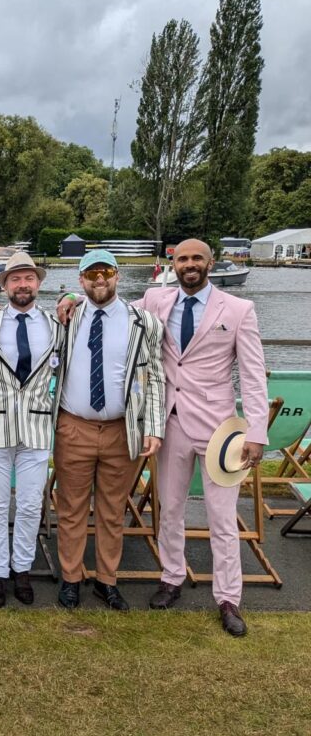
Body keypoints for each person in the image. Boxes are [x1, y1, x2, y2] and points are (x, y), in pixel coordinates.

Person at [135, 238, 268, 636]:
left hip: (220, 430)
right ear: (172, 265)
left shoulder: (239, 310)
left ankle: (228, 598)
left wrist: (257, 431)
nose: (189, 265)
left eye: (197, 258)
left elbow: (252, 374)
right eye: (182, 259)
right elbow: (110, 311)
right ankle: (172, 578)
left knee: (222, 517)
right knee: (170, 508)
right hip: (170, 423)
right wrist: (71, 296)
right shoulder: (155, 301)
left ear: (211, 263)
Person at [52, 250, 165, 612]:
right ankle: (71, 578)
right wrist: (65, 297)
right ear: (80, 278)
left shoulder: (143, 322)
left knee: (112, 510)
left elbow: (156, 378)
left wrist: (155, 427)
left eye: (107, 272)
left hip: (122, 429)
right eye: (91, 273)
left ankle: (107, 580)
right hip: (74, 427)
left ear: (117, 276)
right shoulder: (65, 317)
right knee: (71, 508)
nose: (100, 279)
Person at [0, 252, 64, 608]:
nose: (22, 284)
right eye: (15, 279)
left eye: (28, 278)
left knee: (29, 505)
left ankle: (22, 569)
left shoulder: (57, 325)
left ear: (38, 283)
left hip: (38, 425)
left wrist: (71, 299)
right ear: (5, 286)